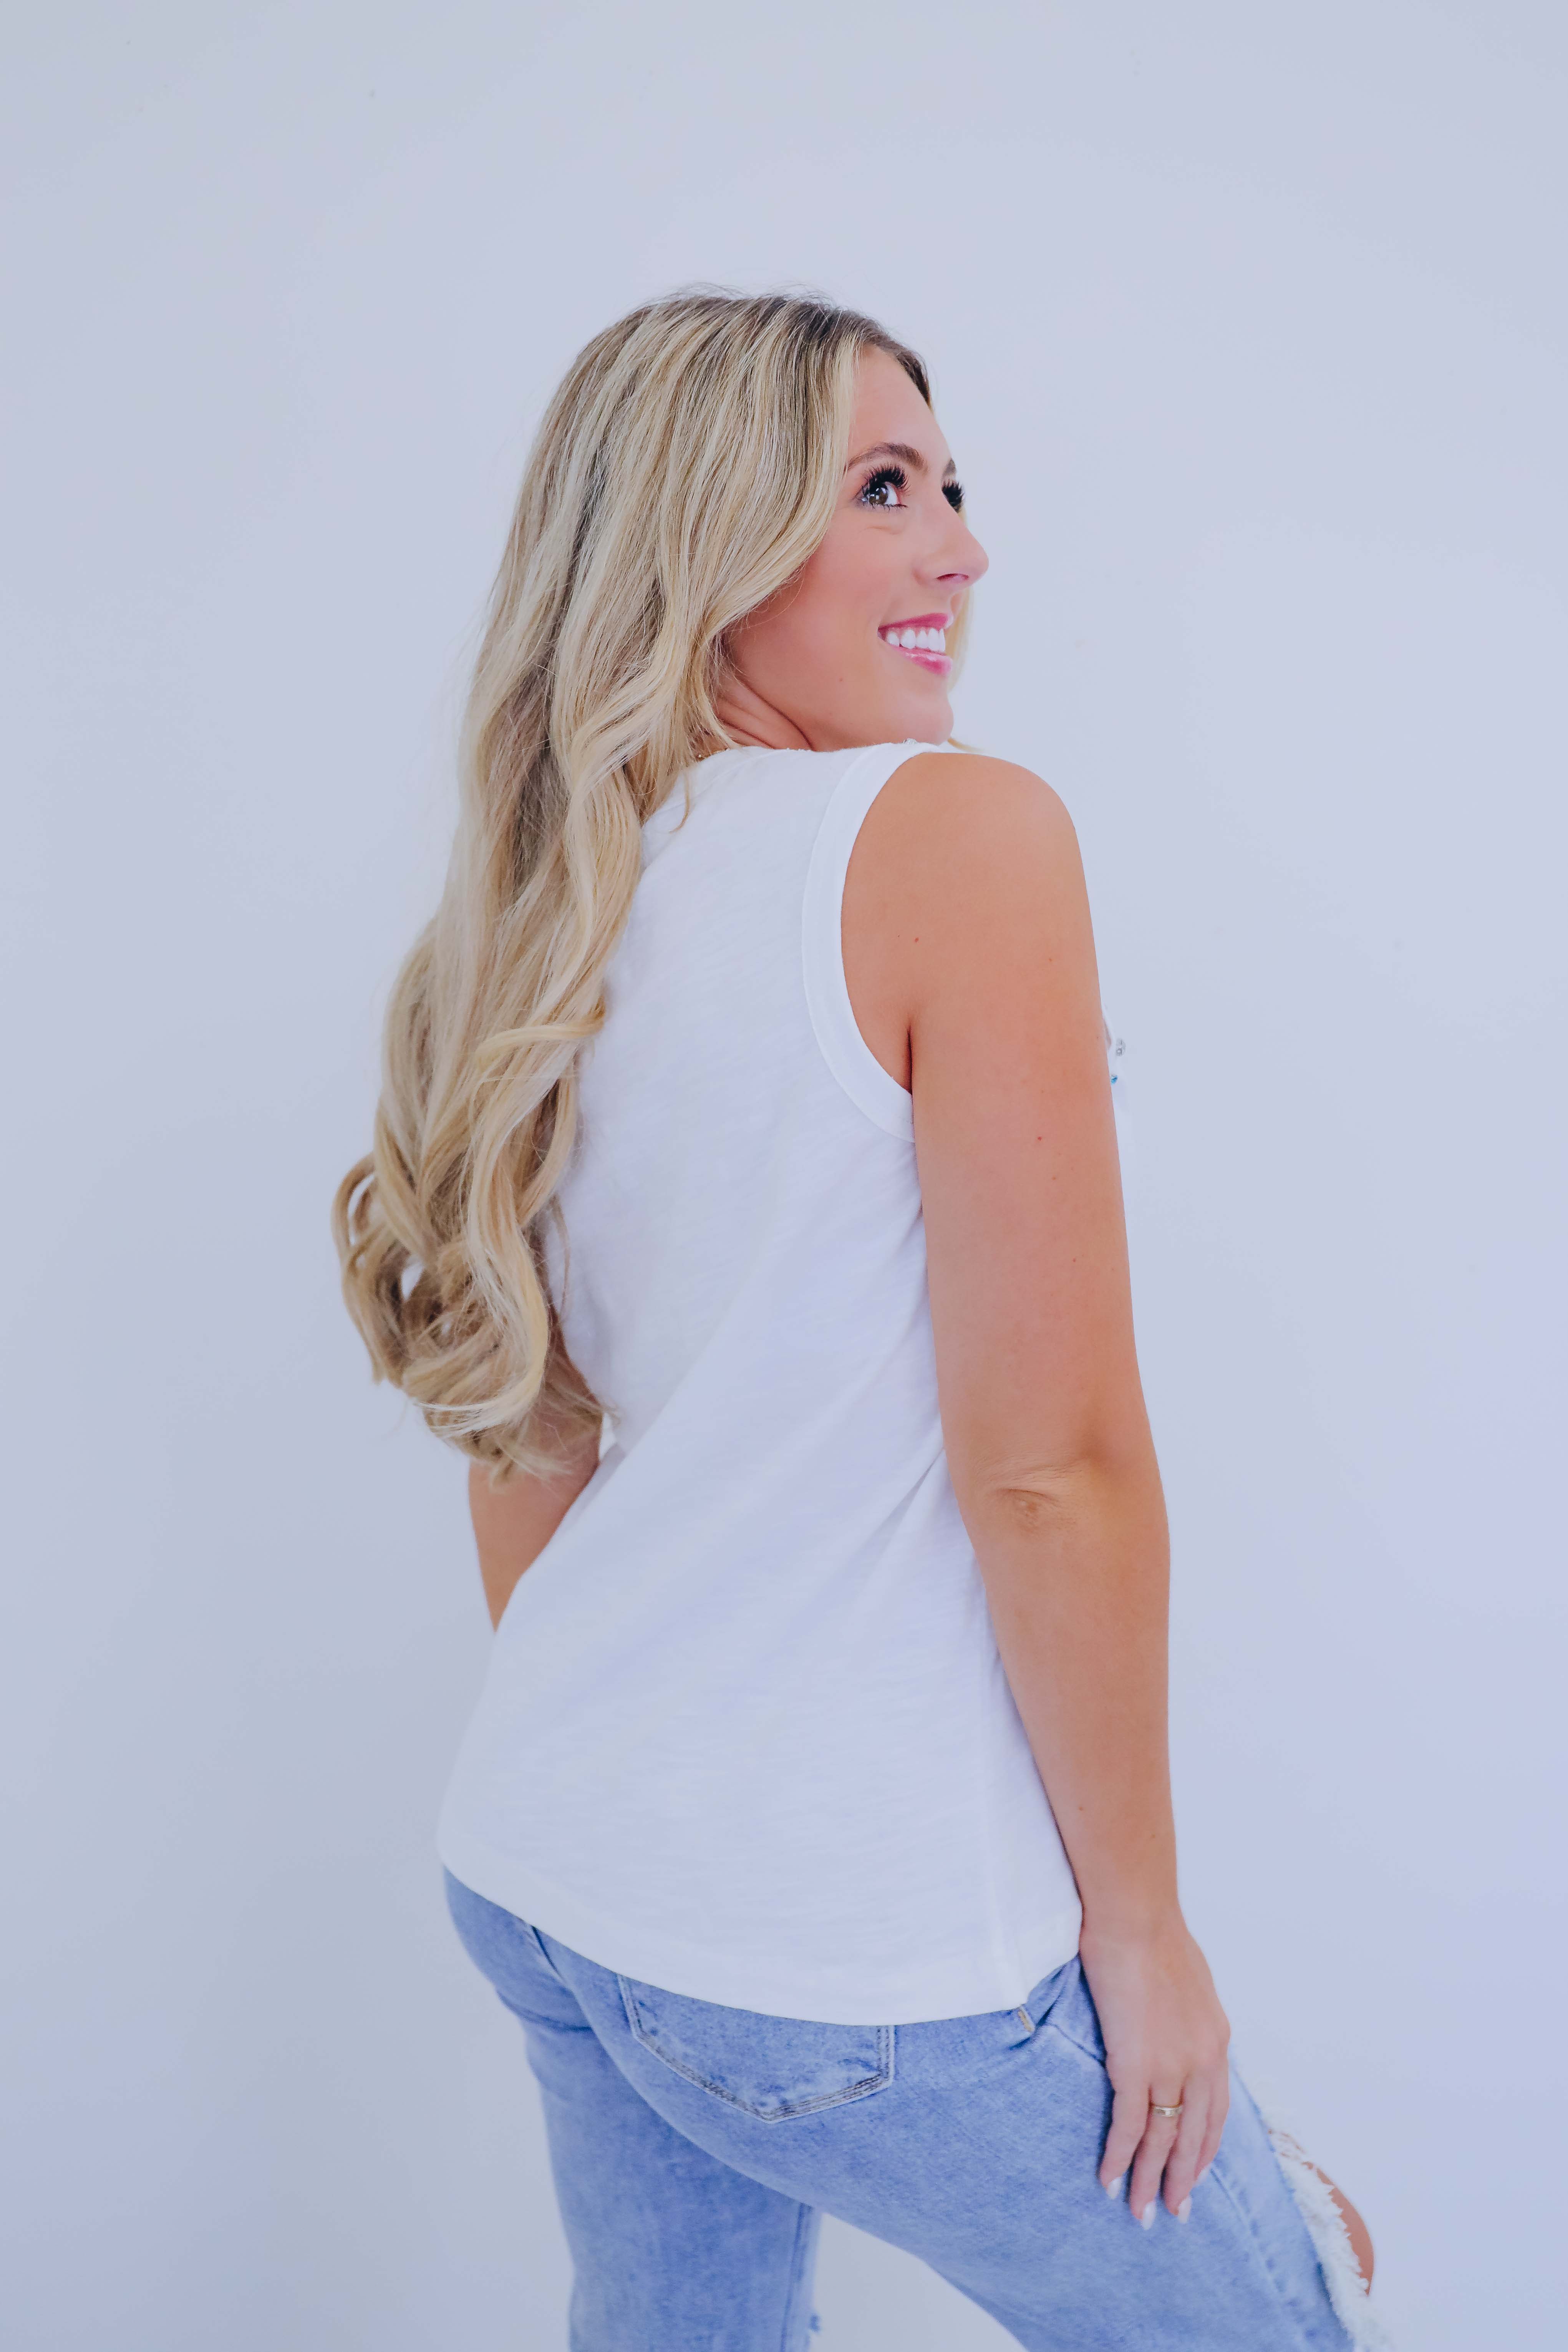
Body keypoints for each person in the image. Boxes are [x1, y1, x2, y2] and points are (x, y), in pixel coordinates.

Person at [335, 291, 1389, 2350]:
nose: (963, 551)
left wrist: (651, 1810)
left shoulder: (558, 905)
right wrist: (1143, 1939)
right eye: (885, 489)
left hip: (550, 1869)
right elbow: (1049, 1468)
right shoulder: (955, 836)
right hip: (853, 1963)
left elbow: (531, 1433)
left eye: (951, 486)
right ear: (705, 535)